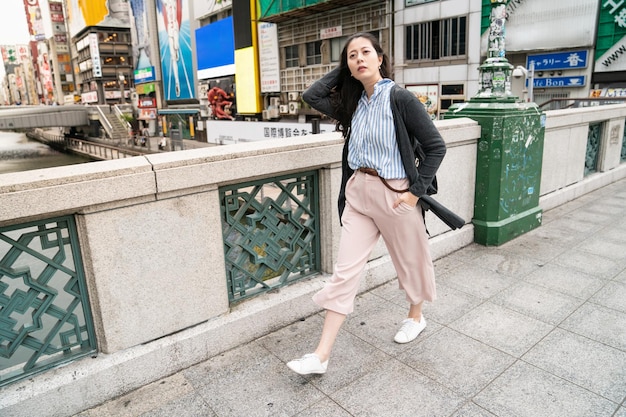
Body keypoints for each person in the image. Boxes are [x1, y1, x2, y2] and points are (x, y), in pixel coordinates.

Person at [286, 32, 447, 375]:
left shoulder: (400, 99)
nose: (359, 58)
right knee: (344, 273)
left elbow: (436, 146)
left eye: (365, 53)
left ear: (380, 58)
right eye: (352, 56)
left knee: (410, 259)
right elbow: (311, 95)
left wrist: (414, 193)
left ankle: (416, 316)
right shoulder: (352, 103)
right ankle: (321, 356)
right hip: (359, 191)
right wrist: (345, 72)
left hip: (395, 193)